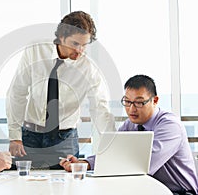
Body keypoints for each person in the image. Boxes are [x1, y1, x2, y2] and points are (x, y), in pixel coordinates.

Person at [6, 11, 114, 169]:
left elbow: (100, 107)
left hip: (65, 139)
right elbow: (17, 92)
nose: (80, 50)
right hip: (30, 135)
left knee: (67, 188)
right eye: (75, 44)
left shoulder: (89, 67)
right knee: (25, 186)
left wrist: (111, 143)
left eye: (84, 45)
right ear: (61, 37)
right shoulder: (36, 51)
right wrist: (15, 136)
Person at [60, 74, 198, 194]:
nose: (131, 109)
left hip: (179, 192)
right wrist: (84, 163)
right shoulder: (131, 124)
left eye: (139, 102)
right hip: (147, 188)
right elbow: (113, 153)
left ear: (154, 101)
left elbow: (143, 165)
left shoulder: (169, 126)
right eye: (127, 102)